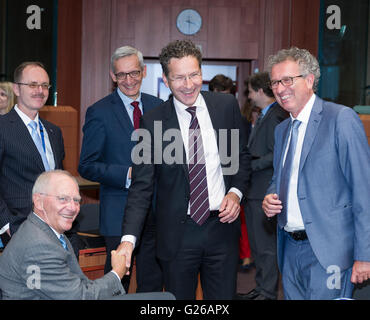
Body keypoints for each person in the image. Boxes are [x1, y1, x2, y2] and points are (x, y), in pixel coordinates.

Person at [117, 39, 251, 300]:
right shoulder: (152, 120)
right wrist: (128, 239)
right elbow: (142, 186)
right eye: (179, 78)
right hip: (177, 235)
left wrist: (235, 193)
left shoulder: (225, 108)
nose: (188, 85)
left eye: (194, 75)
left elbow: (241, 159)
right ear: (166, 80)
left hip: (221, 230)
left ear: (202, 73)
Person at [262, 47, 370, 299]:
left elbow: (364, 190)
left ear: (309, 80)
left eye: (288, 80)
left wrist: (365, 255)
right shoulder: (282, 131)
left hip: (329, 251)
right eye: (275, 82)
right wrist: (270, 198)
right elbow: (279, 180)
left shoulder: (340, 119)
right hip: (289, 248)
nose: (280, 88)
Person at [0, 170, 175, 300]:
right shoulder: (38, 244)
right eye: (63, 199)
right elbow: (80, 296)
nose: (72, 207)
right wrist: (117, 273)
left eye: (76, 200)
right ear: (38, 201)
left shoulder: (48, 232)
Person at [78, 46, 164, 292]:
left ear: (144, 72)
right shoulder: (99, 112)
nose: (129, 80)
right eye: (122, 75)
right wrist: (126, 174)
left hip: (156, 211)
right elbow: (86, 165)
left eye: (134, 73)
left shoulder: (158, 107)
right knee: (118, 283)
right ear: (113, 76)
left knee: (152, 281)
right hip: (118, 213)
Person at [0, 62, 69, 250]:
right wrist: (5, 224)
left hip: (56, 228)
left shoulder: (54, 131)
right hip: (19, 228)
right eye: (32, 85)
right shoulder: (3, 128)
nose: (40, 90)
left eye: (45, 85)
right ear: (16, 89)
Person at [238, 72, 288, 300]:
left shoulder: (276, 115)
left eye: (250, 91)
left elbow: (277, 154)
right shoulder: (266, 114)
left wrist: (252, 165)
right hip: (255, 191)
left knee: (266, 248)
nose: (248, 96)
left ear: (259, 91)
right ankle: (260, 289)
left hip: (264, 190)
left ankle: (267, 293)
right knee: (258, 246)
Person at [209, 74, 253, 271]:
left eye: (225, 95)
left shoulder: (239, 120)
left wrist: (235, 189)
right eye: (217, 94)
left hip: (231, 187)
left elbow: (243, 155)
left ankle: (242, 258)